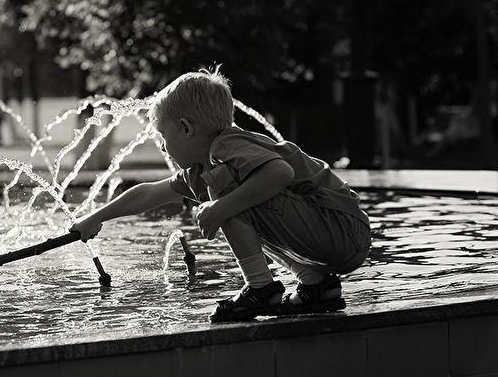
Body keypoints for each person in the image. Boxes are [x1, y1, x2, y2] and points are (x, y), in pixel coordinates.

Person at [70, 67, 370, 322]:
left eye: (163, 135)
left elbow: (280, 173)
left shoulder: (226, 146)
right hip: (337, 236)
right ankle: (317, 285)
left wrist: (220, 208)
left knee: (225, 192)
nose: (161, 146)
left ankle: (260, 288)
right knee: (230, 195)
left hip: (340, 227)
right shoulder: (202, 169)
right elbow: (147, 195)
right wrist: (95, 218)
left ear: (185, 129)